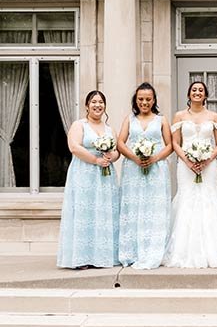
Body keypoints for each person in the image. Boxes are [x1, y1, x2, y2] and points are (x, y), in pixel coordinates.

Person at [164, 81, 217, 268]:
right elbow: (175, 143)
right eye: (194, 90)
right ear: (189, 94)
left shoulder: (213, 116)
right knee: (186, 199)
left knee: (208, 199)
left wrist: (208, 159)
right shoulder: (179, 115)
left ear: (205, 95)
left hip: (208, 165)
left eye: (201, 90)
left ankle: (212, 250)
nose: (197, 92)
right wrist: (187, 161)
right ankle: (183, 251)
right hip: (185, 166)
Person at [57, 90, 120, 269]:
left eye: (101, 102)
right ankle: (81, 258)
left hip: (105, 176)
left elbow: (117, 151)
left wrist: (111, 157)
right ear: (87, 106)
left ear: (105, 106)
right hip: (84, 173)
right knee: (85, 213)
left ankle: (102, 256)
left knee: (103, 213)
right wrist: (95, 160)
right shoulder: (79, 125)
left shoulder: (109, 129)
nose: (97, 105)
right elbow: (74, 147)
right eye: (93, 102)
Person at [118, 82, 172, 269]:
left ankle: (154, 249)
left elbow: (170, 145)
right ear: (136, 100)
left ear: (154, 100)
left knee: (154, 209)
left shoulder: (162, 120)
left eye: (148, 99)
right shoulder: (129, 119)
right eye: (141, 99)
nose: (144, 102)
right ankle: (132, 251)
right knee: (134, 208)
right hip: (133, 170)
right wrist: (135, 157)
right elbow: (120, 142)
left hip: (156, 169)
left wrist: (155, 158)